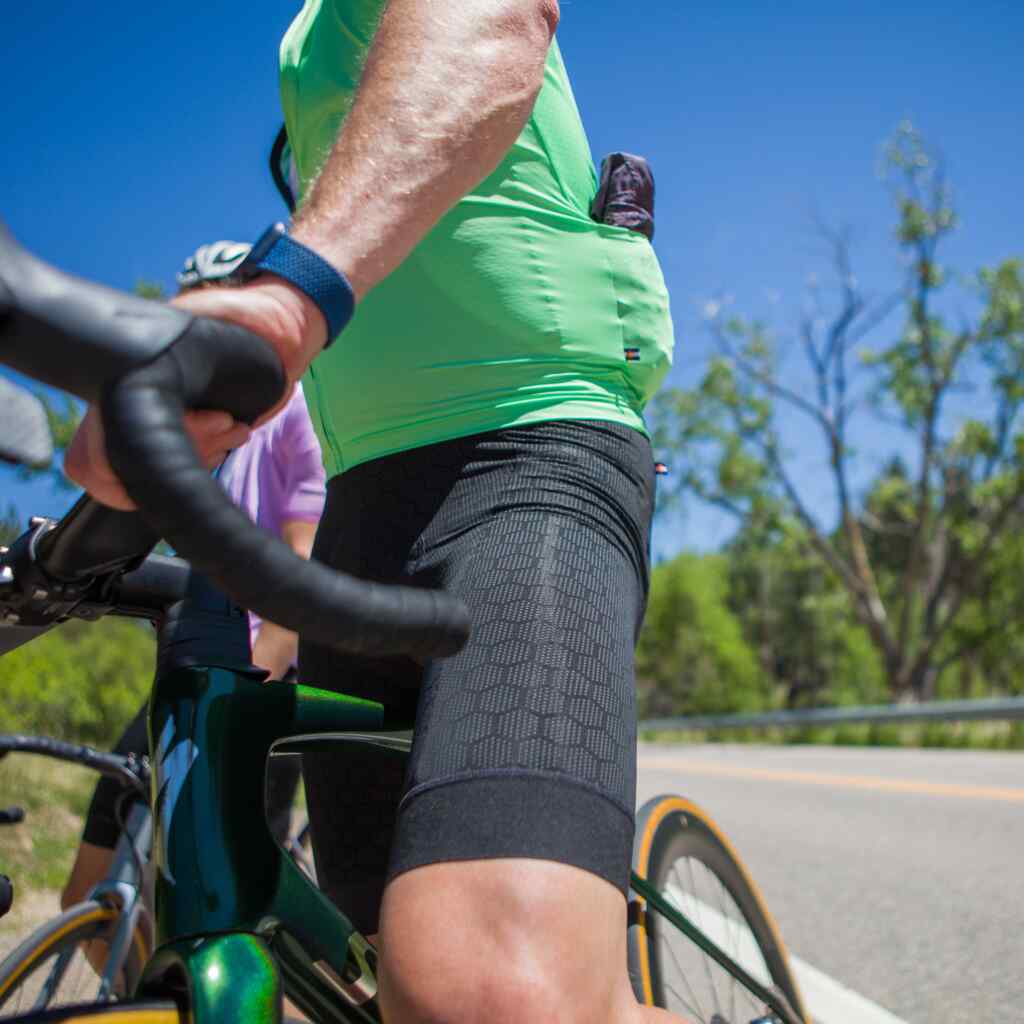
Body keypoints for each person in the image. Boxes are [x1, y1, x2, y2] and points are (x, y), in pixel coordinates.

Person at [66, 2, 679, 1021]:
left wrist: (290, 289)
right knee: (379, 977)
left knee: (490, 996)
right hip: (364, 518)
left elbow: (486, 21)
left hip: (520, 452)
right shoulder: (305, 40)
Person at [63, 366, 325, 914]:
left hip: (254, 677)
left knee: (235, 910)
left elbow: (303, 568)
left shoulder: (303, 412)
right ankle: (160, 1001)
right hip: (189, 661)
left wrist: (244, 692)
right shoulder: (219, 436)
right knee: (87, 893)